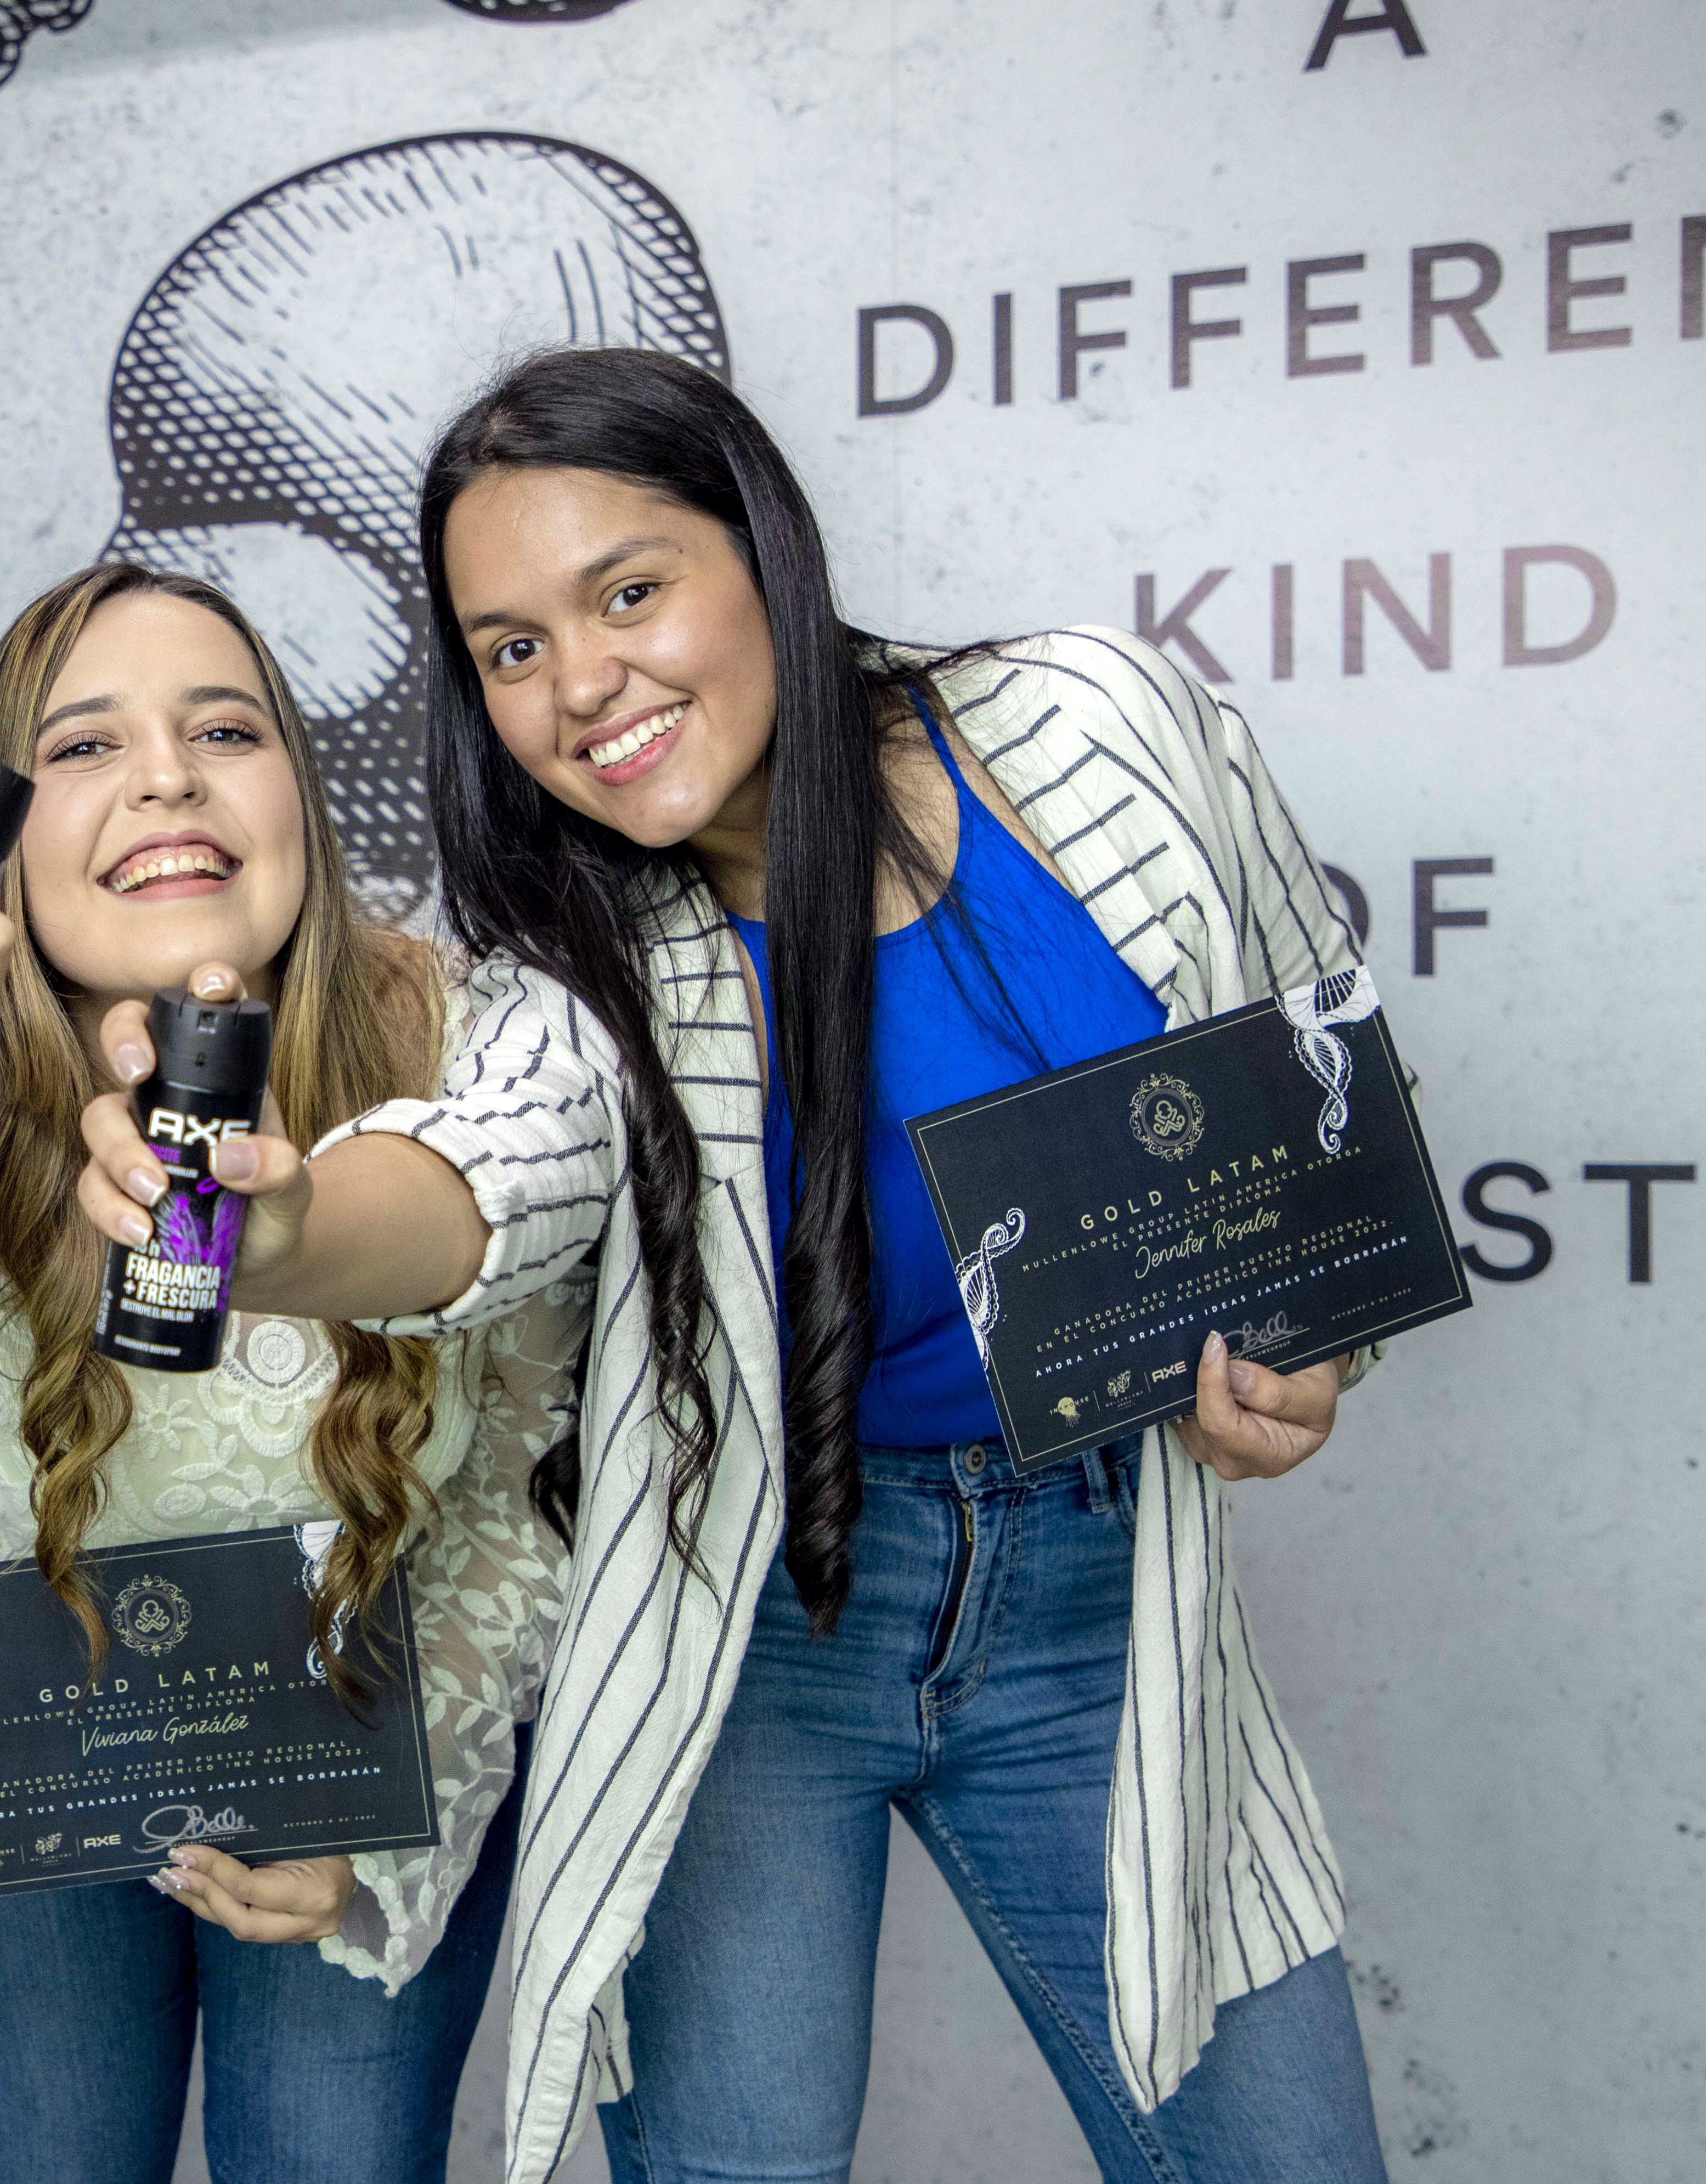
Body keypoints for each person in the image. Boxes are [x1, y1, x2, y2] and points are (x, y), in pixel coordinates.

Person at [74, 348, 1397, 2184]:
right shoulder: (569, 951)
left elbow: (1303, 1103)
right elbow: (478, 1188)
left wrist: (1306, 1347)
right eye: (509, 648)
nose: (581, 684)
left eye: (629, 591)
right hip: (752, 1618)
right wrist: (280, 1230)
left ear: (761, 547)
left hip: (1102, 1573)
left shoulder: (1101, 725)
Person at [0, 563, 581, 2184]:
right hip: (29, 1721)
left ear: (303, 795)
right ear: (4, 835)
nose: (168, 774)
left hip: (343, 1747)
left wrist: (395, 1826)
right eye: (88, 746)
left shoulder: (486, 1037)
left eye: (223, 728)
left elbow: (526, 1480)